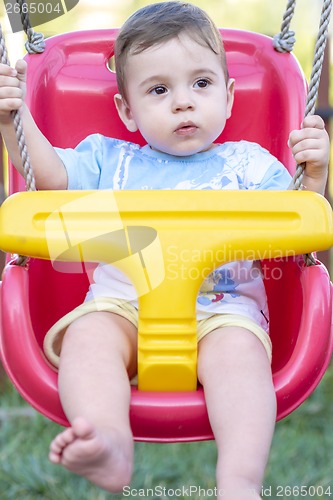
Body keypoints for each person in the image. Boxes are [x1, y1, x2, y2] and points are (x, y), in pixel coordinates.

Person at [0, 2, 329, 497]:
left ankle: (240, 482)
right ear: (127, 111)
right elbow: (50, 179)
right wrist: (13, 121)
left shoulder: (251, 167)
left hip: (224, 312)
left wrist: (316, 177)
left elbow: (298, 225)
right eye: (159, 90)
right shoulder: (110, 159)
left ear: (230, 95)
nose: (183, 102)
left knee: (241, 362)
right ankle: (108, 440)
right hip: (122, 306)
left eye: (201, 84)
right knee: (89, 341)